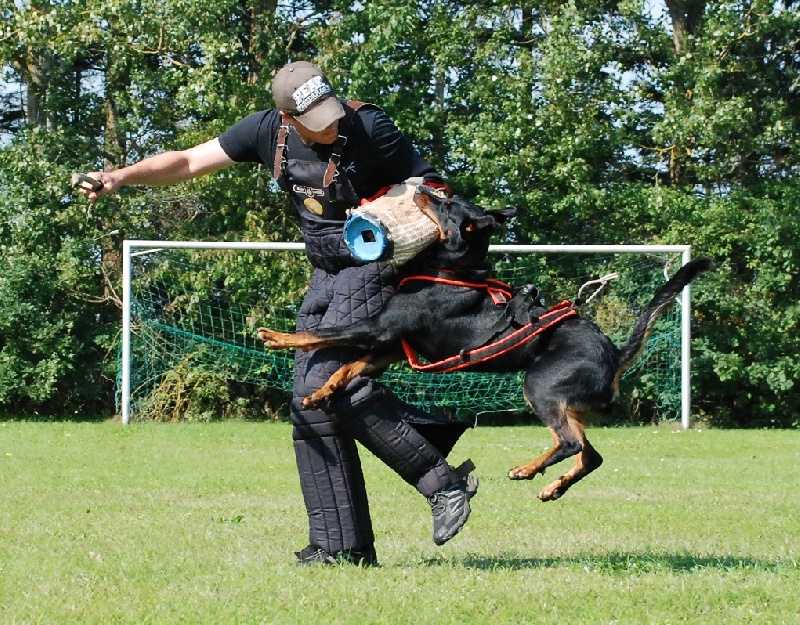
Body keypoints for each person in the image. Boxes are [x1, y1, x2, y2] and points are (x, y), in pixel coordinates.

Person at [77, 61, 478, 566]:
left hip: (376, 263)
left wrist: (392, 206)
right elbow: (186, 161)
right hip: (326, 268)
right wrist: (118, 177)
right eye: (317, 119)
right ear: (288, 118)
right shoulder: (264, 131)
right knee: (310, 400)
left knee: (335, 381)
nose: (331, 125)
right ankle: (340, 548)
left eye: (331, 112)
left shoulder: (370, 127)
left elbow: (435, 188)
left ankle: (442, 482)